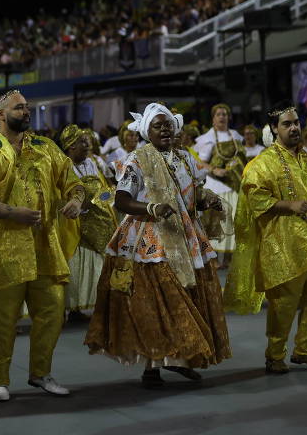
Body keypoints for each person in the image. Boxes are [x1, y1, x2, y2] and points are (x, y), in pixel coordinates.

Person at [84, 103, 230, 387]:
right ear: (146, 131)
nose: (164, 129)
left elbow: (191, 194)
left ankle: (183, 357)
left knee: (189, 297)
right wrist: (151, 207)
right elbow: (121, 200)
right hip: (149, 241)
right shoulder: (137, 160)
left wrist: (206, 199)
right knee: (155, 304)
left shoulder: (185, 159)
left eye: (167, 125)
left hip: (184, 235)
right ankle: (153, 366)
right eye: (157, 126)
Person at [0, 88, 84, 402]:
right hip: (2, 250)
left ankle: (40, 374)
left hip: (44, 247)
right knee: (1, 318)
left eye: (27, 107)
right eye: (19, 108)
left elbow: (73, 181)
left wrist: (77, 200)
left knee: (53, 311)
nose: (26, 112)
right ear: (0, 115)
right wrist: (14, 213)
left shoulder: (46, 148)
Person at [224, 103, 307, 374]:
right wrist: (288, 205)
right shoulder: (262, 164)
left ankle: (305, 350)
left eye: (296, 123)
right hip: (283, 244)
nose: (294, 128)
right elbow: (255, 197)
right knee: (284, 303)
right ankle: (275, 355)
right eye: (287, 124)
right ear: (274, 129)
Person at [58, 125, 117, 321]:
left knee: (94, 267)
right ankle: (63, 310)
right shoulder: (62, 167)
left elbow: (104, 192)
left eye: (88, 141)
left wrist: (108, 196)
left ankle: (79, 309)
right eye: (83, 142)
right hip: (71, 224)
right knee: (72, 267)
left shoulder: (93, 164)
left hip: (96, 221)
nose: (88, 145)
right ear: (70, 146)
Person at [194, 104, 246, 262]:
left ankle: (230, 259)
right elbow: (200, 162)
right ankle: (214, 259)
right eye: (218, 114)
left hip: (235, 183)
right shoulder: (208, 138)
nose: (222, 117)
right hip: (217, 184)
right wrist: (215, 170)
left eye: (224, 114)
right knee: (216, 222)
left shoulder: (236, 136)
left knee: (234, 220)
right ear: (213, 118)